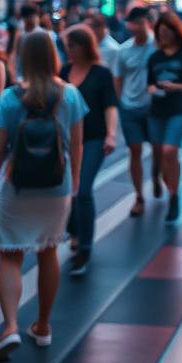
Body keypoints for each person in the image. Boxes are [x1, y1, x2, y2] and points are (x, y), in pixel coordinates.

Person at [0, 30, 86, 361]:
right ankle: (43, 326)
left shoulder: (11, 98)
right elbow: (76, 145)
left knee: (10, 256)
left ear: (22, 57)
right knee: (47, 253)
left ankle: (10, 326)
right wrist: (74, 184)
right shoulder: (70, 95)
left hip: (18, 187)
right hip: (57, 187)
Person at [61, 25, 118, 275]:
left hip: (93, 137)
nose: (68, 50)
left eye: (71, 45)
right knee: (68, 190)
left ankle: (85, 247)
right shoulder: (64, 71)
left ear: (84, 46)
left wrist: (111, 134)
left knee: (82, 189)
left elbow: (110, 105)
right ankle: (74, 230)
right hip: (65, 139)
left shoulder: (101, 73)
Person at [146, 12, 182, 223]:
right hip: (157, 109)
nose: (164, 37)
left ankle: (174, 196)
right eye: (160, 33)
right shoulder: (154, 57)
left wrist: (175, 87)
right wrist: (152, 88)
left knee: (170, 150)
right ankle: (159, 179)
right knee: (159, 153)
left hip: (180, 108)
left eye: (167, 32)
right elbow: (149, 82)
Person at [114, 5, 159, 217]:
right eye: (134, 24)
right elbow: (118, 79)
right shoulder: (124, 50)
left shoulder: (158, 46)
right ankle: (139, 195)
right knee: (135, 150)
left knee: (159, 150)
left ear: (148, 23)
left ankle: (157, 177)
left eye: (141, 23)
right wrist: (116, 105)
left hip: (153, 107)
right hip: (129, 107)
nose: (137, 28)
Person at [85, 8, 121, 75]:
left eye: (91, 28)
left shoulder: (113, 49)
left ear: (101, 28)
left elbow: (116, 74)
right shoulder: (88, 44)